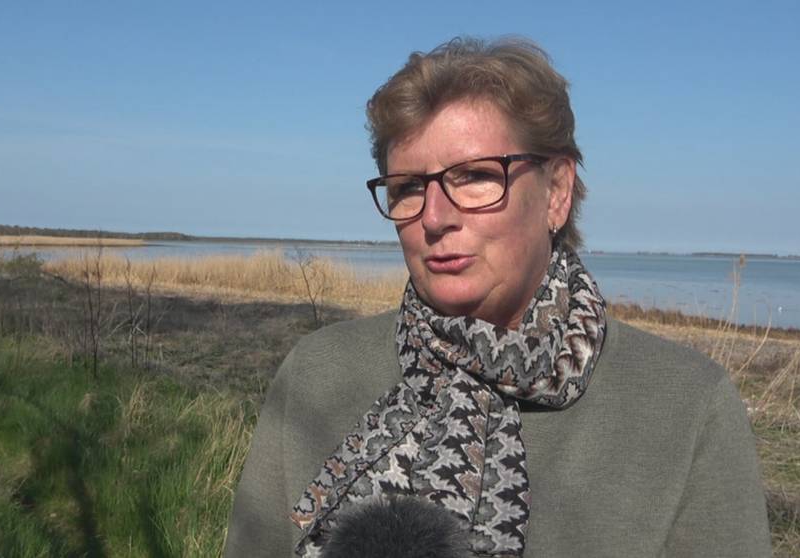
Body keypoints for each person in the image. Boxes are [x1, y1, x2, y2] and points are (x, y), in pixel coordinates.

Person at [224, 37, 771, 558]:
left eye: (475, 177)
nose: (434, 218)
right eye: (408, 187)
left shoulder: (687, 406)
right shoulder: (316, 374)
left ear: (557, 192)